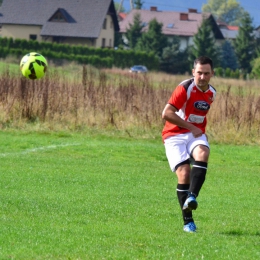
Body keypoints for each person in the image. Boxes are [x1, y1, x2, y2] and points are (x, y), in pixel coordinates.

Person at [161, 56, 216, 233]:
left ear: (212, 74)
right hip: (174, 135)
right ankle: (188, 222)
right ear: (193, 72)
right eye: (199, 73)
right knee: (184, 173)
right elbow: (166, 113)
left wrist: (195, 129)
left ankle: (191, 196)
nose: (202, 77)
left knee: (203, 153)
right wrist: (191, 126)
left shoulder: (212, 93)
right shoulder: (184, 88)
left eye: (206, 73)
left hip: (194, 134)